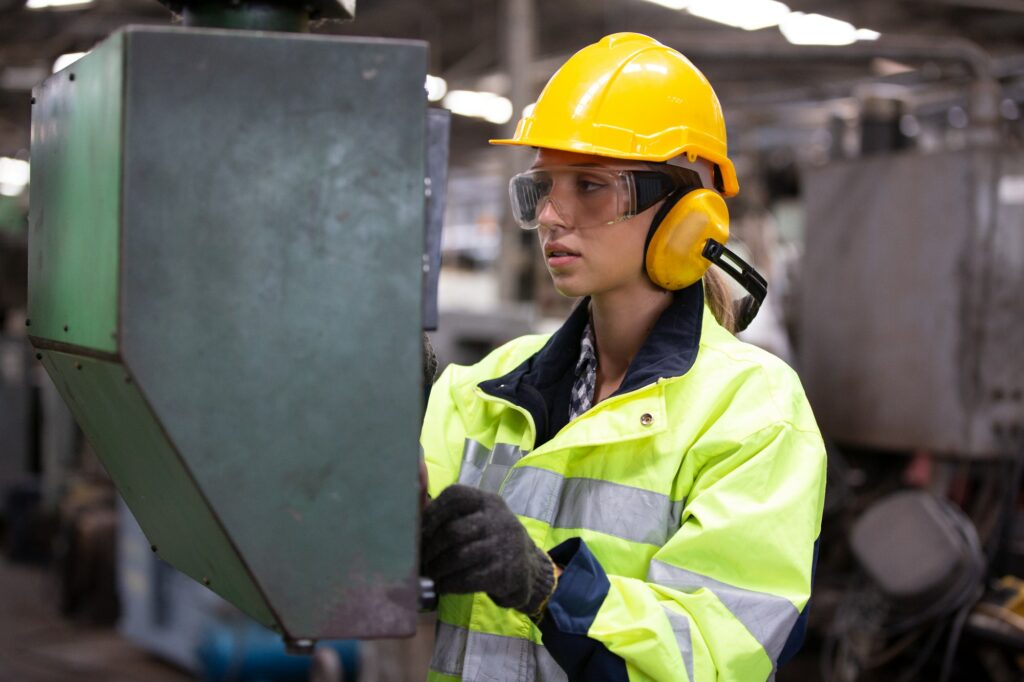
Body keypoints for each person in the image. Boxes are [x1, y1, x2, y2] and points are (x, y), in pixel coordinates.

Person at [419, 32, 827, 682]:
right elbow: (378, 557)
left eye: (590, 185)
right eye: (543, 186)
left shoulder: (755, 415)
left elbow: (717, 653)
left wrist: (549, 587)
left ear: (689, 215)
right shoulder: (484, 389)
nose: (551, 215)